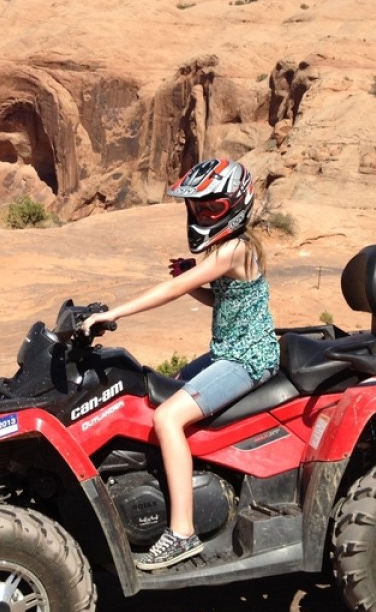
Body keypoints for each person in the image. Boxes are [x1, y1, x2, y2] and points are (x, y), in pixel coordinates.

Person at [83, 158, 278, 570]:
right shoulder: (228, 248)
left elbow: (171, 290)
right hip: (230, 351)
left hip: (245, 359)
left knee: (168, 417)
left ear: (235, 205)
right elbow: (219, 299)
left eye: (212, 208)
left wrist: (114, 313)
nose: (203, 216)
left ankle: (182, 532)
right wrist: (194, 282)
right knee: (163, 389)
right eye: (197, 208)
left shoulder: (234, 248)